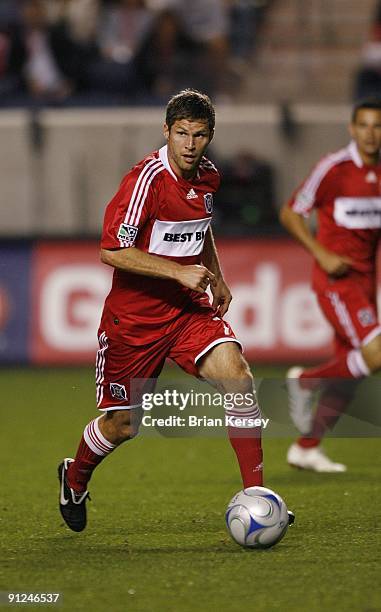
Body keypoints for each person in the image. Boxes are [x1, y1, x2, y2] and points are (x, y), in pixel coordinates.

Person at [58, 89, 288, 532]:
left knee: (239, 379)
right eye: (181, 133)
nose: (189, 144)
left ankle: (257, 498)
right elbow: (111, 250)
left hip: (186, 314)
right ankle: (74, 477)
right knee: (123, 425)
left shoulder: (208, 177)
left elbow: (200, 230)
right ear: (166, 132)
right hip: (135, 322)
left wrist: (214, 273)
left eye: (199, 135)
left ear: (209, 137)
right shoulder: (145, 181)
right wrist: (176, 272)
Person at [280, 98, 381, 473]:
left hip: (366, 286)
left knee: (351, 373)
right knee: (375, 355)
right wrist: (320, 252)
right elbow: (291, 212)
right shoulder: (334, 168)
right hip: (336, 283)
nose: (372, 134)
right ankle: (304, 381)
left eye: (378, 126)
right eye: (365, 126)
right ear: (352, 129)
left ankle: (306, 448)